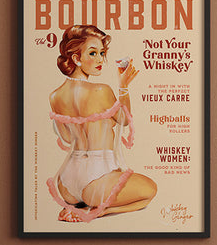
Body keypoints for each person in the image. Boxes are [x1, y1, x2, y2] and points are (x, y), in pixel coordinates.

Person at [47, 25, 157, 222]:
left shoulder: (55, 96)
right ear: (76, 58)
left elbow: (65, 137)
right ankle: (99, 211)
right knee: (150, 189)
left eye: (102, 53)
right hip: (97, 179)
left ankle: (80, 207)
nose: (100, 60)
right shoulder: (101, 90)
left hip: (66, 183)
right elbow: (124, 120)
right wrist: (123, 86)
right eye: (93, 53)